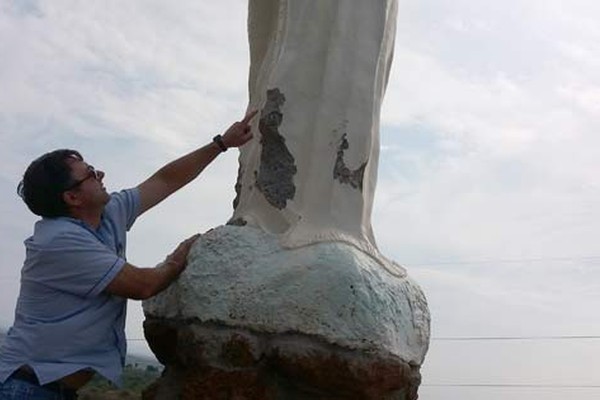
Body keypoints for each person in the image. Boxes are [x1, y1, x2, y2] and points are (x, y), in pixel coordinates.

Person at [0, 110, 257, 400]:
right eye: (90, 174)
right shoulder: (59, 240)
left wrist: (221, 143)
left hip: (49, 390)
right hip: (25, 389)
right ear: (72, 198)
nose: (101, 175)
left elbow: (164, 180)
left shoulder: (108, 213)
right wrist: (180, 257)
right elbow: (141, 285)